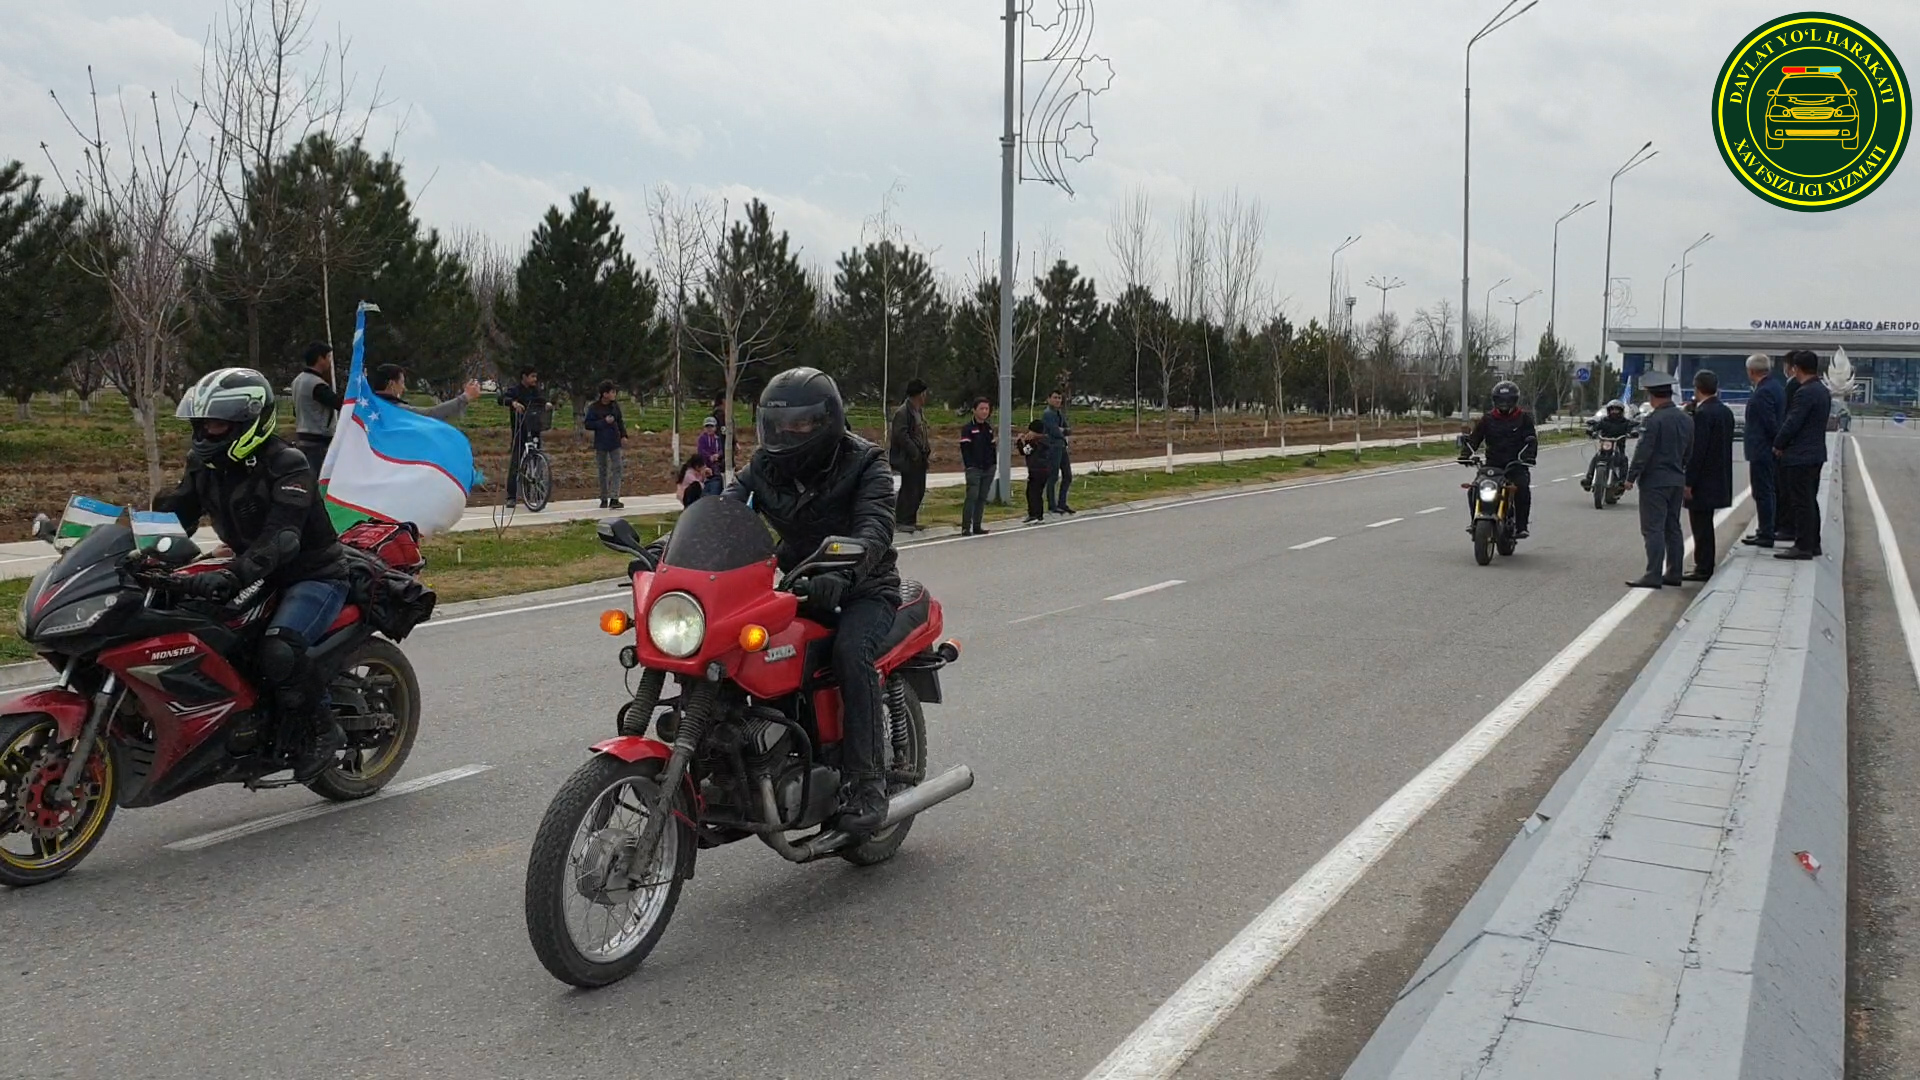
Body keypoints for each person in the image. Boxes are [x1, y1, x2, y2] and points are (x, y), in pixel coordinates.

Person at [708, 367, 899, 835]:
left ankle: (867, 782)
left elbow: (875, 527)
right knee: (731, 652)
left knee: (851, 653)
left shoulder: (866, 463)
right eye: (778, 424)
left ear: (827, 421)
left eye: (800, 423)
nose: (787, 433)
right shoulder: (763, 467)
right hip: (796, 586)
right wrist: (670, 550)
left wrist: (846, 571)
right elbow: (725, 513)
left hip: (864, 588)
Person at [154, 367, 349, 781]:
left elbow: (282, 538)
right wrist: (136, 546)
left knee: (279, 649)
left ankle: (322, 729)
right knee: (196, 630)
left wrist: (231, 576)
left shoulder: (287, 464)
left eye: (216, 424)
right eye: (200, 424)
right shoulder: (204, 464)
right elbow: (176, 517)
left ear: (249, 422)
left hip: (310, 573)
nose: (205, 433)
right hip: (253, 569)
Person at [1623, 372, 1693, 589]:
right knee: (1673, 527)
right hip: (1676, 479)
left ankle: (1653, 574)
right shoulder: (1686, 419)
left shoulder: (1653, 420)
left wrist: (1631, 477)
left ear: (1652, 395)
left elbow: (1643, 451)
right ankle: (1674, 572)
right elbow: (1689, 451)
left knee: (1653, 528)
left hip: (1655, 481)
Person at [1460, 380, 1538, 538]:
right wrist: (1465, 454)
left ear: (1514, 400)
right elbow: (1475, 438)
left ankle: (1521, 526)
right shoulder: (1488, 419)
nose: (1504, 404)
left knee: (1522, 489)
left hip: (1516, 465)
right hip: (1492, 465)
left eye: (1508, 400)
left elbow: (1531, 440)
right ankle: (1475, 521)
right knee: (1474, 489)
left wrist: (1529, 457)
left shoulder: (1524, 419)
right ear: (1495, 400)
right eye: (1501, 400)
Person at [1773, 349, 1832, 561]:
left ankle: (1803, 545)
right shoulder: (1822, 390)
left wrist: (1779, 443)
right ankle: (1813, 543)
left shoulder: (1805, 392)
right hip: (1815, 453)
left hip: (1800, 455)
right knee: (1809, 500)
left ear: (1796, 368)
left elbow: (1793, 421)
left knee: (1800, 503)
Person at [1683, 369, 1736, 581]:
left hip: (1703, 479)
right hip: (1719, 475)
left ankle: (1703, 567)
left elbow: (1698, 451)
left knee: (1700, 525)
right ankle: (1704, 564)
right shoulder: (1725, 411)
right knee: (1705, 524)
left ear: (1697, 388)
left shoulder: (1703, 414)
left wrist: (1689, 482)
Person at [1741, 354, 1786, 549]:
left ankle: (1766, 532)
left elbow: (1770, 423)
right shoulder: (1775, 387)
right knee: (1766, 490)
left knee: (1763, 491)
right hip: (1766, 448)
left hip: (1762, 449)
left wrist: (1777, 444)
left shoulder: (1763, 392)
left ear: (1751, 371)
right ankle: (1765, 529)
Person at [889, 379, 933, 533]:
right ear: (919, 395)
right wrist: (914, 452)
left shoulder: (918, 411)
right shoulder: (903, 412)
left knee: (919, 490)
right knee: (909, 489)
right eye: (924, 393)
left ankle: (911, 520)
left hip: (919, 458)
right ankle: (902, 520)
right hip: (908, 458)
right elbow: (901, 435)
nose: (925, 396)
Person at [499, 367, 547, 508]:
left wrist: (547, 404)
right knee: (516, 463)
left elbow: (542, 401)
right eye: (532, 376)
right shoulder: (515, 390)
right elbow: (502, 399)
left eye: (535, 377)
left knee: (537, 462)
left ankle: (536, 492)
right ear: (524, 377)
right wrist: (513, 403)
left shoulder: (535, 391)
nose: (535, 379)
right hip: (520, 431)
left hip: (534, 429)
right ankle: (511, 496)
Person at [290, 342, 340, 475]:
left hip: (302, 437)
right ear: (320, 359)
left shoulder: (297, 380)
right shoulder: (317, 384)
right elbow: (338, 403)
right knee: (319, 478)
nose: (330, 362)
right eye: (328, 357)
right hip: (318, 441)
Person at [371, 364, 482, 420]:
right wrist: (465, 397)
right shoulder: (395, 410)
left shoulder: (368, 407)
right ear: (391, 384)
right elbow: (431, 414)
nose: (404, 388)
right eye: (402, 383)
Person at [583, 380, 630, 510]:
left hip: (614, 441)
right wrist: (604, 422)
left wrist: (623, 435)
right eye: (612, 392)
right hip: (601, 443)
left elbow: (620, 421)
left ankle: (614, 497)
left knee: (617, 468)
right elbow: (588, 424)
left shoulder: (614, 406)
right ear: (605, 394)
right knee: (603, 470)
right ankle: (603, 497)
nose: (614, 394)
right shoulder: (594, 408)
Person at [959, 397, 996, 536]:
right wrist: (969, 465)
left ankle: (977, 525)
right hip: (974, 468)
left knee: (982, 497)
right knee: (972, 496)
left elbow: (992, 447)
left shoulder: (988, 428)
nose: (984, 411)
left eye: (987, 409)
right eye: (981, 408)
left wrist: (993, 464)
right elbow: (965, 449)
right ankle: (965, 527)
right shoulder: (968, 429)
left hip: (988, 468)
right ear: (974, 410)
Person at [1582, 400, 1637, 492]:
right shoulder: (1604, 421)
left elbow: (1631, 427)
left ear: (1621, 411)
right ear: (1608, 411)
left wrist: (1633, 432)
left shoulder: (1625, 422)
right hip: (1605, 447)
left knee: (1623, 460)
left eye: (1616, 410)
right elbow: (1596, 426)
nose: (1614, 412)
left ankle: (1622, 481)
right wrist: (1591, 430)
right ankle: (1589, 479)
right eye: (1612, 410)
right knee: (1596, 458)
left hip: (1618, 447)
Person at [1042, 390, 1075, 515]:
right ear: (1049, 399)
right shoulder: (1048, 414)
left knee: (1068, 476)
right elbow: (1055, 431)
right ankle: (1052, 505)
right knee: (1053, 476)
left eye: (1059, 398)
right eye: (1055, 397)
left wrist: (1063, 430)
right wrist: (1062, 431)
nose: (1057, 400)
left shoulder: (1059, 413)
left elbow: (1068, 430)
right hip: (1052, 447)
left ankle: (1062, 503)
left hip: (1061, 446)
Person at [1017, 418, 1053, 524]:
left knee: (1032, 493)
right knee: (1036, 493)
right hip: (1044, 470)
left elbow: (1024, 451)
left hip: (1037, 471)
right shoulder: (1045, 440)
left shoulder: (1035, 442)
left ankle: (1034, 515)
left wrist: (1020, 441)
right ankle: (1038, 515)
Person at [697, 416, 724, 496]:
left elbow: (722, 449)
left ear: (715, 427)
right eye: (707, 426)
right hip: (705, 466)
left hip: (716, 468)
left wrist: (718, 455)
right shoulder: (702, 438)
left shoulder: (718, 438)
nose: (709, 429)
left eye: (711, 426)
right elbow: (701, 450)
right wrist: (709, 457)